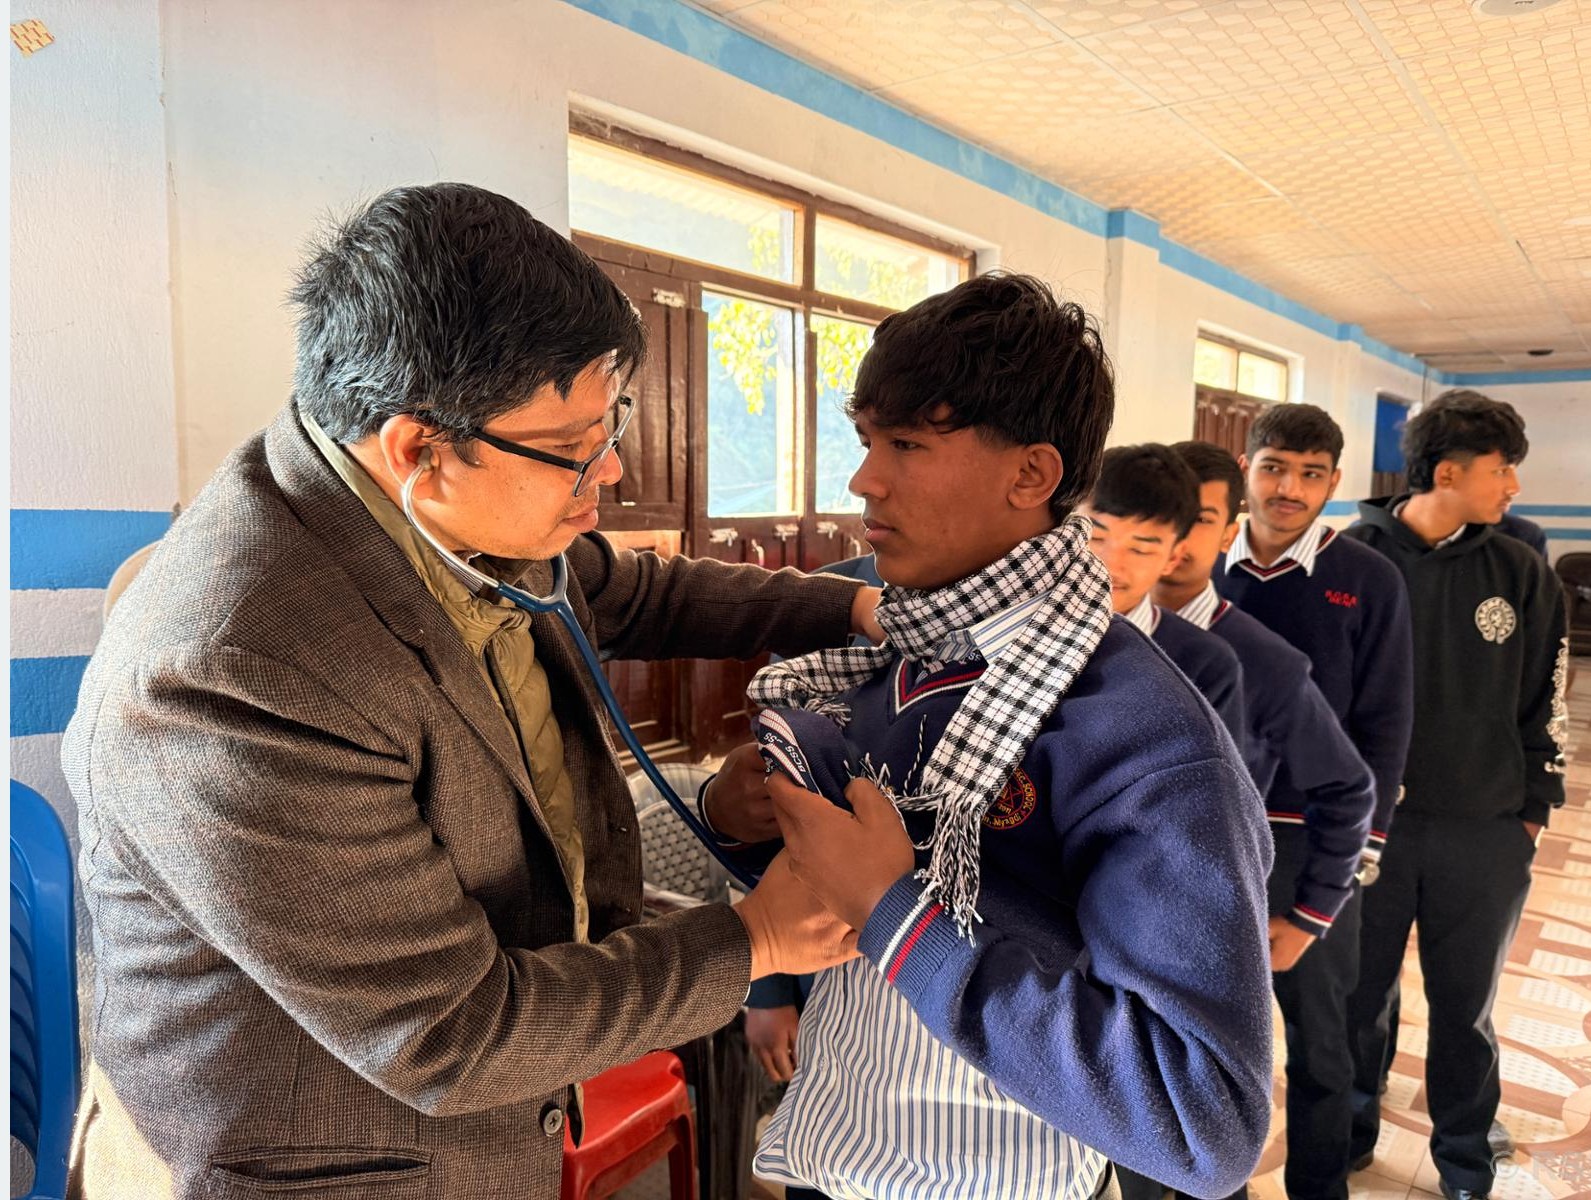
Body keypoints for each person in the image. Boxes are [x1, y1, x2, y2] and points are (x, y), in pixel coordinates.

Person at [60, 183, 877, 1200]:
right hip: (327, 1166)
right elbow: (448, 1033)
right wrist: (756, 940)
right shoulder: (236, 675)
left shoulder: (449, 508)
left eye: (609, 425)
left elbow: (635, 593)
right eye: (575, 448)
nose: (611, 470)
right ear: (420, 448)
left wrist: (855, 609)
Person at [703, 273, 1276, 1200]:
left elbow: (1200, 1123)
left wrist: (894, 910)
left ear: (1031, 476)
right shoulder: (893, 657)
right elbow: (833, 902)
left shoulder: (1143, 735)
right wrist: (743, 822)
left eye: (907, 444)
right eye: (866, 440)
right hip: (834, 1154)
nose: (863, 479)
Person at [1343, 391, 1569, 1200]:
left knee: (1464, 1007)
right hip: (1370, 833)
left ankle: (1464, 1157)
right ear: (1447, 473)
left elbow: (1545, 693)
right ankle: (1350, 1131)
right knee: (1356, 998)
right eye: (1500, 469)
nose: (1512, 486)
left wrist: (1533, 808)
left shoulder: (1518, 569)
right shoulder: (1350, 562)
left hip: (1484, 832)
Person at [1146, 440, 1376, 1200]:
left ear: (1226, 530)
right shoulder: (1099, 641)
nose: (1172, 541)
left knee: (1265, 1071)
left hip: (1246, 898)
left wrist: (1311, 913)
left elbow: (1347, 784)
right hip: (1134, 915)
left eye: (1196, 521)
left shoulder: (1257, 658)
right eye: (1154, 520)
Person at [1080, 444, 1247, 747]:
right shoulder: (1012, 621)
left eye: (1140, 549)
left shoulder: (1205, 665)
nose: (1110, 565)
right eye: (1096, 537)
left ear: (1173, 557)